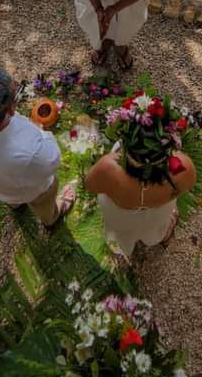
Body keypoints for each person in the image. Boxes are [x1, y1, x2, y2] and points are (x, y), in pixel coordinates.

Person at [0, 68, 75, 226]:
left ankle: (14, 205)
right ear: (10, 109)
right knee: (45, 202)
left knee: (9, 196)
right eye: (16, 96)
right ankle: (51, 219)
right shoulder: (31, 152)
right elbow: (53, 160)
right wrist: (39, 130)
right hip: (31, 191)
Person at [84, 91, 196, 259]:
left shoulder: (108, 168)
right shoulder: (183, 167)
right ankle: (159, 237)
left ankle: (124, 249)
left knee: (123, 236)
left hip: (120, 216)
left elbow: (90, 186)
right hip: (158, 212)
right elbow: (190, 184)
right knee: (154, 229)